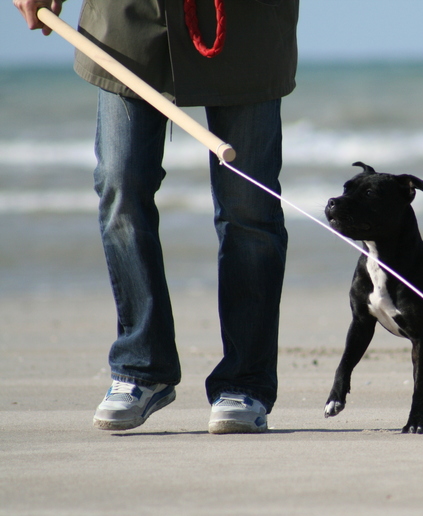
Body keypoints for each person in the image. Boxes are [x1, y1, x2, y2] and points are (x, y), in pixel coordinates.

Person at [15, 0, 299, 434]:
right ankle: (142, 367)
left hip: (247, 24)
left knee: (249, 207)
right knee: (120, 183)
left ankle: (246, 381)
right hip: (128, 19)